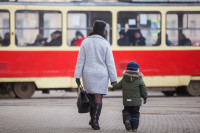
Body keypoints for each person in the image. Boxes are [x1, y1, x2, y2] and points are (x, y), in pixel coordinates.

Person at [74, 20, 117, 130]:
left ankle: (92, 119)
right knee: (98, 98)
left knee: (91, 98)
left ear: (93, 29)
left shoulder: (85, 42)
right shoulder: (105, 43)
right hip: (102, 74)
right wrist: (114, 79)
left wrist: (77, 76)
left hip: (88, 74)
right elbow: (110, 63)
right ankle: (95, 121)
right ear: (103, 31)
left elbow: (80, 61)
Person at [112, 62, 147, 132]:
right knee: (135, 113)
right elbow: (143, 89)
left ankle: (127, 120)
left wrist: (113, 83)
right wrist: (145, 97)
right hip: (136, 103)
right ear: (137, 70)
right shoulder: (139, 79)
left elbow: (117, 86)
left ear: (127, 69)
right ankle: (134, 128)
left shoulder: (124, 79)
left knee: (126, 111)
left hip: (127, 101)